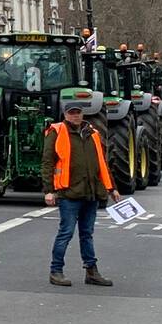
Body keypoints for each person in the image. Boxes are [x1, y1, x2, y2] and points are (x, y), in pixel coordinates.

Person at [42, 103, 120, 287]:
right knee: (66, 233)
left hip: (90, 192)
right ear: (65, 115)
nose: (76, 116)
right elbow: (47, 163)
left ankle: (91, 271)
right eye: (72, 113)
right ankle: (56, 271)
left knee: (87, 234)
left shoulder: (92, 133)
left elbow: (102, 163)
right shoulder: (57, 131)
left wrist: (112, 188)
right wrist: (49, 191)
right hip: (69, 192)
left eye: (78, 113)